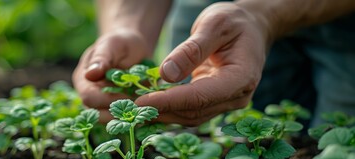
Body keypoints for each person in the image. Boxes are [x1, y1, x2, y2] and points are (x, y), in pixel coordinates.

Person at [72, 0, 355, 127]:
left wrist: (262, 15)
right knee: (208, 112)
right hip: (213, 9)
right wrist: (129, 26)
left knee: (334, 158)